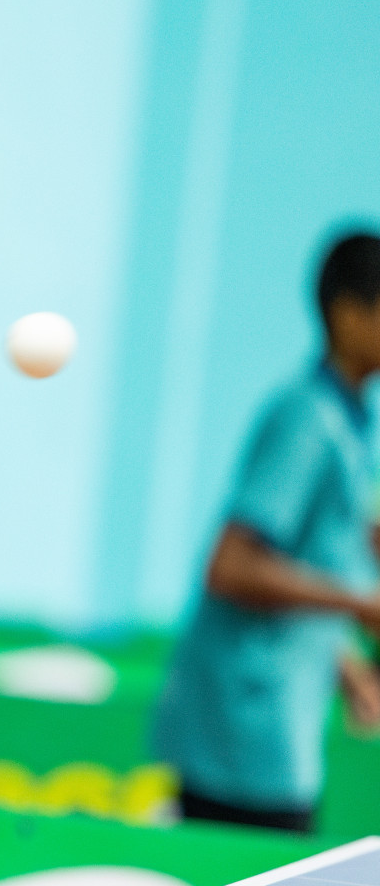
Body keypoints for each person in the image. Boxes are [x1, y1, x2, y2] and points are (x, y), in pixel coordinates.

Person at [153, 232, 380, 834]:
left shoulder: (353, 421)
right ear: (350, 313)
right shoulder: (306, 419)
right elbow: (232, 568)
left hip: (281, 726)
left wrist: (347, 665)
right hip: (242, 734)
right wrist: (359, 603)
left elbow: (314, 562)